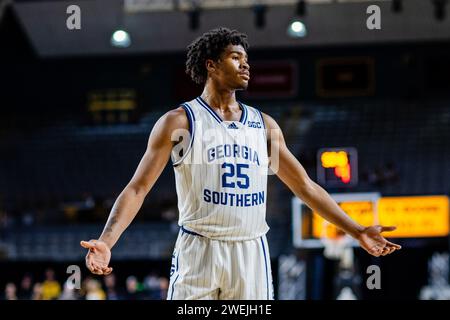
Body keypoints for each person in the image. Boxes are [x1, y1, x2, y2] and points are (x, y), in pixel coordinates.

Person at [80, 27, 401, 300]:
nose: (246, 65)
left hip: (250, 251)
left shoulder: (263, 126)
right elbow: (138, 188)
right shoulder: (180, 122)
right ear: (211, 65)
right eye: (236, 57)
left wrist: (357, 231)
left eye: (247, 59)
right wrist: (107, 242)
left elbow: (304, 186)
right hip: (199, 249)